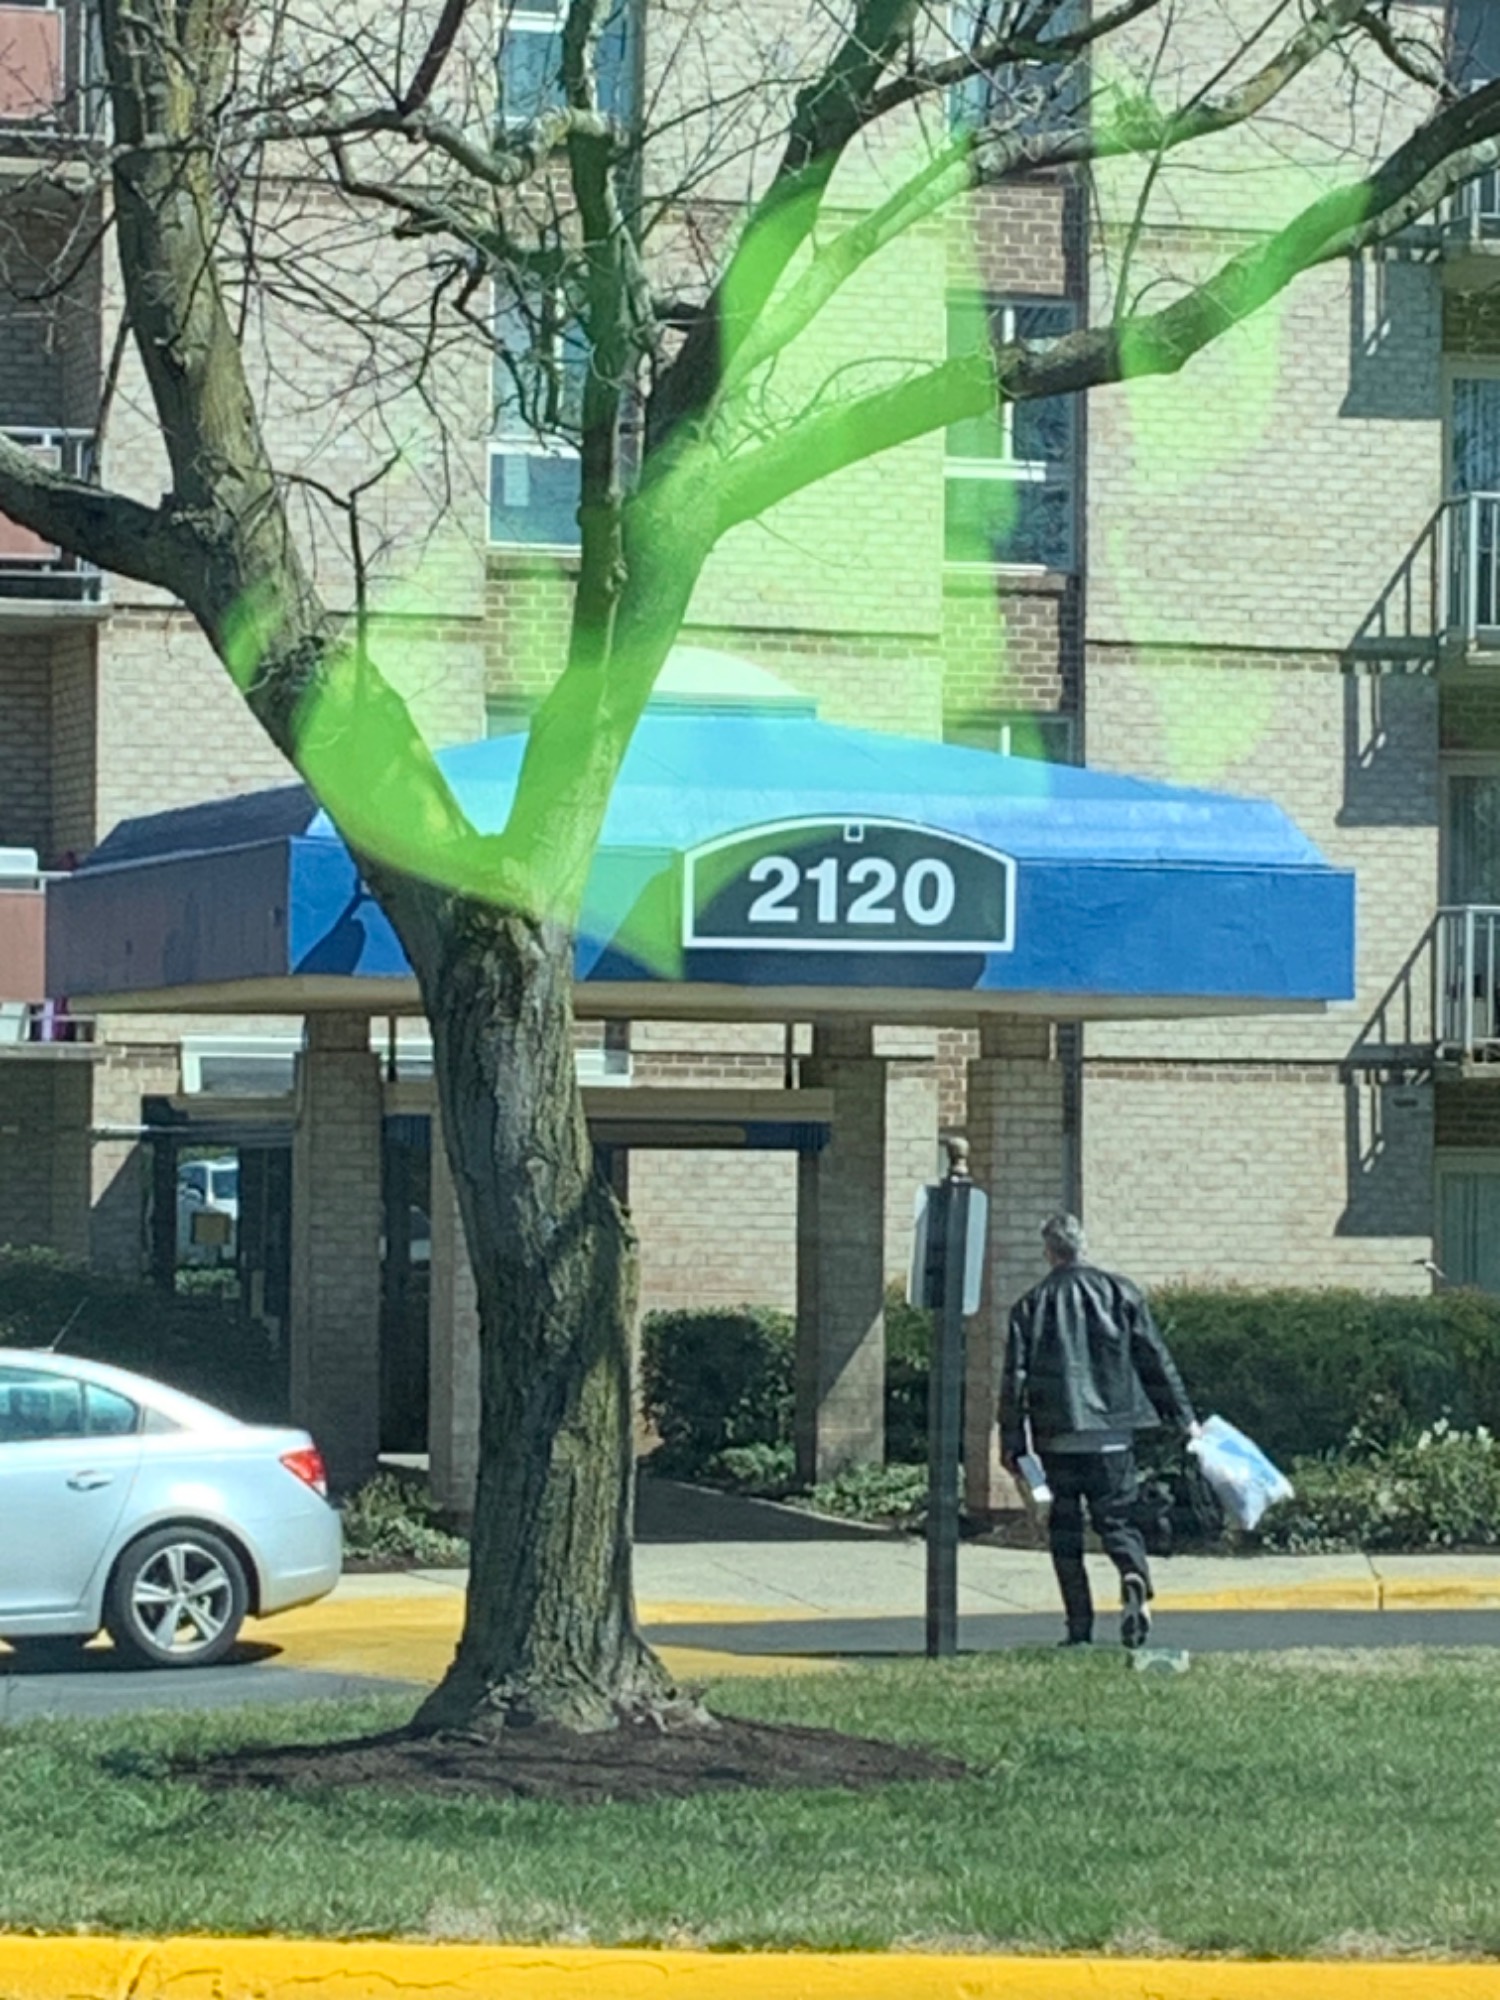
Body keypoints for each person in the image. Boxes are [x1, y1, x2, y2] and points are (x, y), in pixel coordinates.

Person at [1000, 1212, 1198, 1650]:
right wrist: (1183, 1417)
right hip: (1113, 1433)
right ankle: (1132, 1572)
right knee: (1117, 1518)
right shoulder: (1120, 1292)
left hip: (1057, 1435)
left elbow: (1014, 1379)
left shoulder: (1030, 1305)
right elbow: (1153, 1358)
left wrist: (1012, 1441)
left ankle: (1079, 1628)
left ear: (1048, 1252)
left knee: (1065, 1534)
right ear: (1083, 1246)